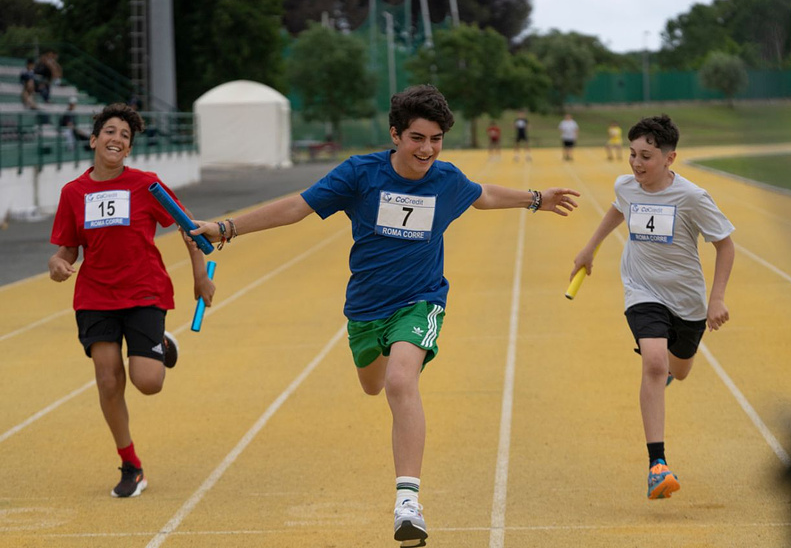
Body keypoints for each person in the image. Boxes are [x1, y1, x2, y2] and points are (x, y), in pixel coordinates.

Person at [189, 85, 580, 546]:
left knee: (399, 381)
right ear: (395, 134)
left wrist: (537, 199)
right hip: (365, 310)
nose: (427, 149)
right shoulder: (360, 174)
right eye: (417, 138)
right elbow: (297, 206)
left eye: (436, 139)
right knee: (373, 383)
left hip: (421, 300)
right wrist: (228, 228)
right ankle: (381, 382)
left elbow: (482, 195)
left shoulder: (445, 180)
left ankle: (407, 503)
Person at [48, 103, 215, 499]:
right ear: (93, 140)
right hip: (95, 295)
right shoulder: (73, 193)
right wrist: (57, 262)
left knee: (148, 382)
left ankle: (162, 344)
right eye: (110, 131)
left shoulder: (146, 185)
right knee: (108, 381)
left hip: (144, 291)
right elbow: (68, 249)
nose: (117, 138)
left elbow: (188, 228)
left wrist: (199, 278)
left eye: (125, 135)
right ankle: (130, 464)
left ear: (129, 149)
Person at [570, 114, 735, 501]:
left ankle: (668, 370)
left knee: (679, 368)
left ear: (669, 158)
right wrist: (589, 249)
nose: (636, 163)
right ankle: (657, 465)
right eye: (632, 154)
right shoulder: (627, 186)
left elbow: (725, 244)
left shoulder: (692, 197)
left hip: (688, 302)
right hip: (642, 290)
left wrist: (717, 298)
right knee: (655, 363)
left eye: (645, 156)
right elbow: (618, 208)